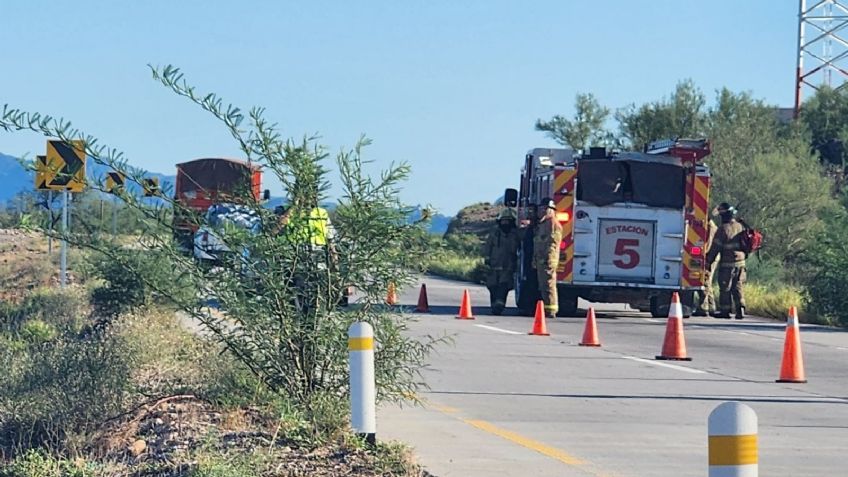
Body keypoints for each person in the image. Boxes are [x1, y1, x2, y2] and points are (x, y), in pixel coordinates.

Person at [705, 203, 746, 319]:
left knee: (725, 287)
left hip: (727, 264)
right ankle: (740, 308)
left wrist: (708, 261)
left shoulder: (723, 229)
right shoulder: (740, 226)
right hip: (741, 263)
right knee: (738, 286)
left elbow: (715, 248)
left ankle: (725, 311)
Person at [482, 208, 521, 315]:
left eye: (507, 221)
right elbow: (488, 246)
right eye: (503, 221)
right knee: (492, 285)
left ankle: (499, 305)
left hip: (508, 266)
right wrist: (487, 259)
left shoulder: (516, 234)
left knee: (504, 285)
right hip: (494, 265)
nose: (505, 223)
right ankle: (494, 304)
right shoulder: (495, 233)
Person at [533, 198, 563, 319]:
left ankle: (551, 310)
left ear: (551, 210)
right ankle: (547, 308)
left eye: (545, 209)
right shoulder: (543, 224)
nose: (542, 211)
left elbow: (552, 244)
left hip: (547, 260)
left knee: (548, 285)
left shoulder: (553, 224)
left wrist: (547, 258)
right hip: (541, 260)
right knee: (543, 285)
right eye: (541, 209)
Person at [694, 218, 718, 316]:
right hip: (711, 256)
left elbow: (708, 244)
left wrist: (704, 256)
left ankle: (704, 307)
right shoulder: (712, 226)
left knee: (705, 280)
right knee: (708, 281)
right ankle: (711, 306)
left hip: (709, 257)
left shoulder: (710, 227)